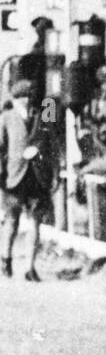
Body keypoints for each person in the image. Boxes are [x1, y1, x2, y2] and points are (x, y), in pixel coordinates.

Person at [0, 79, 55, 281]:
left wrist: (40, 154)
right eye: (21, 97)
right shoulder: (6, 118)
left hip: (36, 176)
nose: (26, 101)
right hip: (13, 177)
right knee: (11, 220)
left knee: (35, 222)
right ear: (14, 98)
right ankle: (6, 259)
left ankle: (30, 268)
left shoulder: (41, 116)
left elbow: (50, 143)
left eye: (28, 96)